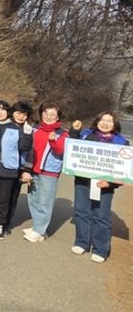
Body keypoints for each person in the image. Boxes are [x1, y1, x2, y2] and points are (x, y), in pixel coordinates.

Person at [69, 112, 129, 263]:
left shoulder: (122, 143)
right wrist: (74, 131)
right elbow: (71, 148)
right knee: (81, 211)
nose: (105, 123)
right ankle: (82, 242)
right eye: (103, 120)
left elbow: (123, 170)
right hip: (83, 181)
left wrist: (110, 183)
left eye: (109, 121)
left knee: (101, 216)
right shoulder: (85, 135)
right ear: (97, 121)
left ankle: (100, 249)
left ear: (115, 124)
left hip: (105, 185)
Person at [22, 101, 69, 243]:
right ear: (41, 114)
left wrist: (53, 141)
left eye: (52, 114)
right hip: (33, 169)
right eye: (46, 113)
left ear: (57, 117)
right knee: (33, 199)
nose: (49, 117)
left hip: (49, 171)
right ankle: (39, 228)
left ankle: (39, 230)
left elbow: (61, 151)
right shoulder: (35, 129)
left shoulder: (63, 133)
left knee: (45, 202)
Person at [0, 100, 32, 240]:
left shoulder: (16, 128)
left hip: (7, 169)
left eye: (2, 109)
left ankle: (0, 224)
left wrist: (27, 134)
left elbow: (25, 147)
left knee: (3, 199)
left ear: (8, 112)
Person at [7, 101, 34, 230]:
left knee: (13, 195)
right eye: (18, 113)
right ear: (12, 113)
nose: (21, 116)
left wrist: (27, 169)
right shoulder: (5, 126)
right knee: (0, 196)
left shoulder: (29, 130)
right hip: (3, 166)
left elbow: (31, 152)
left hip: (19, 167)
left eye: (24, 114)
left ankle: (7, 221)